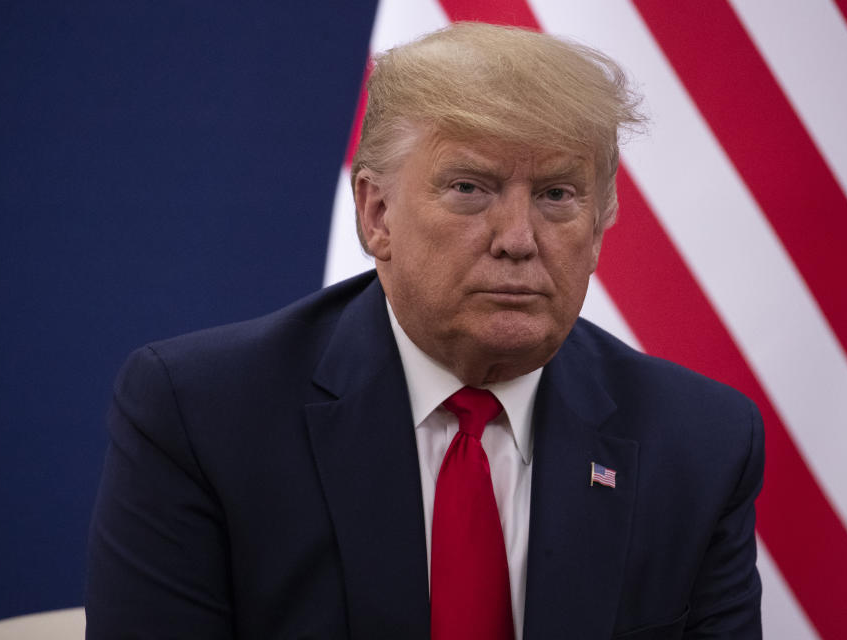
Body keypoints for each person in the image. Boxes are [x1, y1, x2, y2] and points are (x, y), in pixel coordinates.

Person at [86, 22, 763, 639]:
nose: (519, 239)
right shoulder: (204, 416)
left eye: (558, 194)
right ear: (377, 214)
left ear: (598, 228)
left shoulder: (699, 443)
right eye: (471, 188)